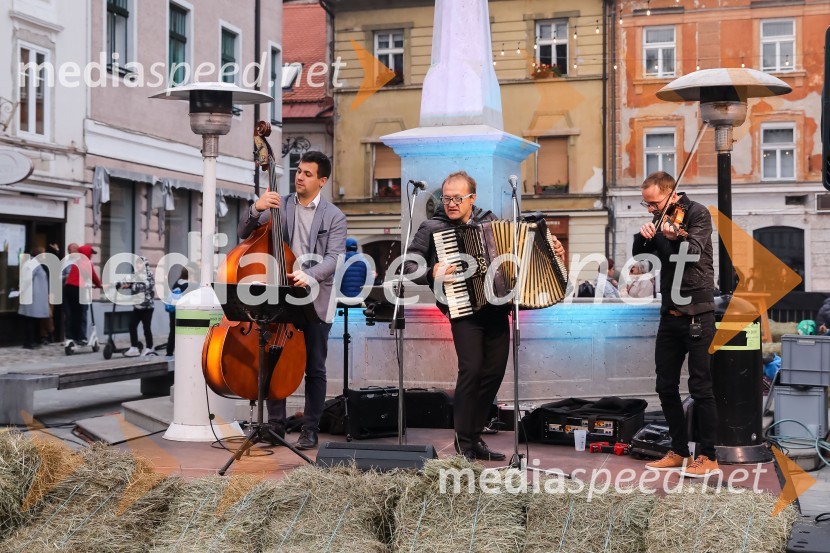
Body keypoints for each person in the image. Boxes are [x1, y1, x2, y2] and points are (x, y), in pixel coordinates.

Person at [404, 170, 565, 461]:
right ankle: (463, 443)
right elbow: (408, 267)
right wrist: (432, 271)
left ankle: (475, 437)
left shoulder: (490, 221)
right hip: (463, 310)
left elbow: (523, 252)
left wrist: (550, 248)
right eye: (447, 198)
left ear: (472, 198)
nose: (451, 203)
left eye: (457, 198)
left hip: (496, 309)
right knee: (472, 370)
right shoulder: (433, 227)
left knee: (493, 374)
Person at [238, 150, 347, 450]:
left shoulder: (334, 216)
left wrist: (310, 275)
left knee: (315, 367)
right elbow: (242, 232)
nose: (299, 176)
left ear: (322, 180)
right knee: (274, 359)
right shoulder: (279, 204)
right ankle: (275, 424)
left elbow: (334, 258)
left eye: (307, 173)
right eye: (299, 171)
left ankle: (310, 428)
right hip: (280, 292)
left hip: (314, 295)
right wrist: (255, 207)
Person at [633, 171, 720, 478]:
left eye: (654, 203)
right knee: (665, 385)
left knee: (701, 387)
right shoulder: (658, 220)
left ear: (671, 195)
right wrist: (644, 234)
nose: (651, 209)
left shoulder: (697, 213)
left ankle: (708, 456)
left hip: (697, 313)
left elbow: (694, 253)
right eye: (646, 205)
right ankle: (680, 450)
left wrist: (676, 234)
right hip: (669, 313)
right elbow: (641, 257)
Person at [117, 256, 157, 357]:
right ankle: (134, 348)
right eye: (136, 263)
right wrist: (121, 284)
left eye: (139, 263)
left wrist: (131, 284)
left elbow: (145, 286)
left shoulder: (148, 274)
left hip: (147, 307)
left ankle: (149, 348)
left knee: (146, 328)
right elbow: (129, 281)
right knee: (132, 325)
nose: (137, 265)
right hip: (137, 307)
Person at [63, 244, 103, 344]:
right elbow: (93, 276)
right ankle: (78, 338)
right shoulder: (87, 262)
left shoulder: (76, 261)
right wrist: (99, 285)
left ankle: (70, 336)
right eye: (91, 253)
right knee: (78, 315)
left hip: (68, 288)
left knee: (70, 314)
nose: (92, 256)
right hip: (78, 289)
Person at [18, 247, 49, 349]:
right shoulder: (34, 263)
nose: (45, 255)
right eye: (44, 253)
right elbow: (27, 277)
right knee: (30, 319)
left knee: (32, 319)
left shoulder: (35, 263)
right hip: (33, 296)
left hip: (35, 296)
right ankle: (29, 342)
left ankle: (32, 341)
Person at [165, 267, 189, 357]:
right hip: (183, 312)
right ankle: (181, 353)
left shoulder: (177, 282)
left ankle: (169, 352)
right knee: (183, 333)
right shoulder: (187, 285)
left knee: (173, 332)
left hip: (173, 311)